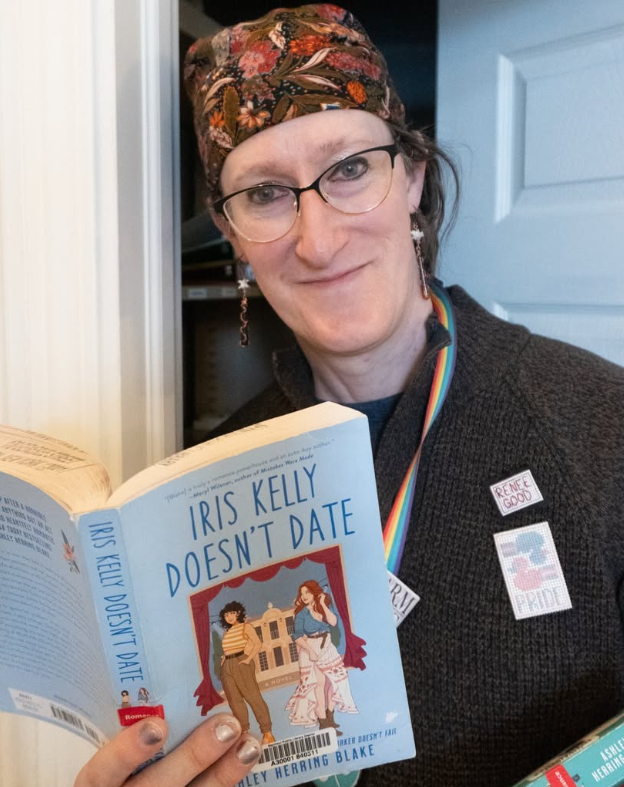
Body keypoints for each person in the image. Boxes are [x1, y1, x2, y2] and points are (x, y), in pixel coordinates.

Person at [76, 4, 624, 787]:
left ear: (412, 179)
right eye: (265, 193)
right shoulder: (202, 489)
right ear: (234, 241)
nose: (318, 238)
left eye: (348, 170)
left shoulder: (600, 425)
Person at [286, 581, 358, 735]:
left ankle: (330, 717)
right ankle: (324, 724)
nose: (304, 596)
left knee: (333, 682)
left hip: (327, 646)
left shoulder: (322, 606)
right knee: (319, 684)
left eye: (307, 592)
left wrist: (322, 603)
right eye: (302, 594)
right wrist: (310, 651)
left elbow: (333, 622)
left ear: (314, 592)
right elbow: (297, 636)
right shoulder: (301, 614)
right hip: (310, 648)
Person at [218, 601, 275, 745]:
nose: (229, 617)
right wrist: (224, 658)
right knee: (234, 701)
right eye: (226, 614)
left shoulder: (245, 627)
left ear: (238, 613)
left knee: (252, 696)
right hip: (227, 666)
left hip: (241, 662)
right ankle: (243, 733)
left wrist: (248, 658)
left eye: (231, 613)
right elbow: (229, 648)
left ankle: (267, 733)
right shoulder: (227, 632)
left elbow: (257, 643)